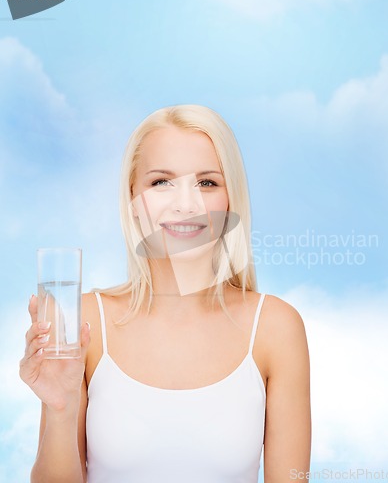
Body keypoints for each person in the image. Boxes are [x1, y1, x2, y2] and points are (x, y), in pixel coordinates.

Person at [20, 104, 311, 482]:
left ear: (231, 200)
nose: (185, 204)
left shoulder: (275, 329)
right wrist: (59, 409)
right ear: (133, 201)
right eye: (161, 182)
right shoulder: (85, 324)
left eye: (207, 182)